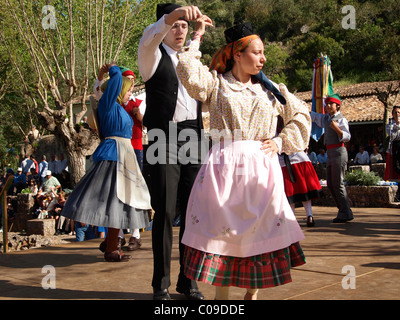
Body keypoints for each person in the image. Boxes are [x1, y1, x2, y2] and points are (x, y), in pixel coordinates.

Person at [176, 19, 310, 300]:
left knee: (260, 233)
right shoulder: (216, 84)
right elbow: (187, 69)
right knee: (222, 236)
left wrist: (280, 141)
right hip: (224, 167)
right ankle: (220, 300)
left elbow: (301, 114)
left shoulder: (271, 90)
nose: (262, 58)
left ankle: (252, 293)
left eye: (263, 53)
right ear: (237, 54)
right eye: (256, 52)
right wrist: (198, 35)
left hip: (262, 169)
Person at [137, 3, 208, 300]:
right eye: (175, 25)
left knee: (194, 213)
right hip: (163, 136)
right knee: (165, 211)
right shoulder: (150, 55)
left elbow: (195, 51)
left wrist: (199, 34)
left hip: (194, 134)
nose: (180, 30)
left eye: (184, 26)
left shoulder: (190, 59)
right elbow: (151, 35)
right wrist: (176, 13)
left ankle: (188, 281)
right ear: (165, 27)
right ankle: (160, 284)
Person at [61, 63, 151, 262]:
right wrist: (113, 69)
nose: (130, 94)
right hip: (114, 156)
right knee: (115, 203)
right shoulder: (108, 104)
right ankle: (111, 247)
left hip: (123, 156)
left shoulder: (116, 107)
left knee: (119, 204)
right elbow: (115, 81)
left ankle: (111, 246)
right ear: (118, 91)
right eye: (127, 90)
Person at [311, 93, 353, 223]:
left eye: (331, 104)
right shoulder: (326, 119)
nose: (328, 106)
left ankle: (346, 212)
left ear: (337, 105)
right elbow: (313, 116)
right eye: (327, 104)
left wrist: (337, 129)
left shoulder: (341, 119)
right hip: (330, 153)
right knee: (330, 183)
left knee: (338, 183)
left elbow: (347, 136)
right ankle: (342, 210)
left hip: (339, 151)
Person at [279, 151, 323, 227]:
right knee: (302, 190)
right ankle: (309, 215)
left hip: (287, 161)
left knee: (290, 192)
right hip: (298, 158)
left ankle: (292, 219)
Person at [384, 106, 400, 180]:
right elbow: (392, 136)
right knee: (395, 167)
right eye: (395, 112)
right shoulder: (390, 125)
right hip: (394, 148)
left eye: (398, 112)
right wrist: (397, 125)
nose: (397, 114)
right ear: (392, 114)